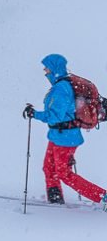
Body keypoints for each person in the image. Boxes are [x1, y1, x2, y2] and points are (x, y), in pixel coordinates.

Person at [23, 53, 107, 208]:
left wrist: (34, 114)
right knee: (49, 168)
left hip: (66, 137)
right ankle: (55, 199)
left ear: (54, 68)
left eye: (47, 68)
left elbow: (55, 116)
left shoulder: (62, 88)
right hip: (58, 135)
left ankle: (104, 197)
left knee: (65, 174)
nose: (45, 71)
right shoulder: (60, 85)